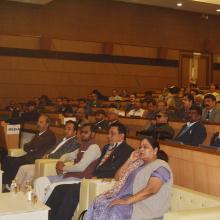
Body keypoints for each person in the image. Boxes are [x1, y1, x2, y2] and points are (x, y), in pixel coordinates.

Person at [46, 122, 133, 220]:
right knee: (59, 188)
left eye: (112, 134)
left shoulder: (127, 151)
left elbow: (116, 171)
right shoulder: (106, 147)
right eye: (108, 133)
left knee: (71, 192)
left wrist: (97, 177)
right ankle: (46, 217)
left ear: (121, 136)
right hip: (91, 179)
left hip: (102, 181)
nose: (108, 136)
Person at [84, 137, 173, 220]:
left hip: (144, 205)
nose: (141, 149)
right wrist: (130, 160)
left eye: (145, 147)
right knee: (100, 202)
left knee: (115, 209)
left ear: (155, 150)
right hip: (128, 200)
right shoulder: (138, 164)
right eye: (140, 147)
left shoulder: (161, 166)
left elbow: (151, 189)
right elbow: (117, 177)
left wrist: (127, 201)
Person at [34, 123, 101, 203]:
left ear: (93, 134)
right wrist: (60, 161)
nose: (82, 134)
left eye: (86, 132)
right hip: (68, 175)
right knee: (39, 181)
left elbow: (80, 167)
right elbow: (67, 155)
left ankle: (43, 210)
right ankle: (39, 207)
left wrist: (62, 168)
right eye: (81, 132)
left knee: (53, 187)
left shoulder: (94, 148)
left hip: (79, 179)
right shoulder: (83, 146)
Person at [15, 120, 80, 190]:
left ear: (75, 132)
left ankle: (22, 194)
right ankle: (15, 189)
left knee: (30, 173)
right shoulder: (62, 139)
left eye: (69, 129)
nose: (66, 131)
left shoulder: (74, 143)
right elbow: (51, 149)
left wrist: (48, 156)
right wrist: (46, 154)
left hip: (52, 163)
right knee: (22, 168)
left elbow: (63, 155)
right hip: (44, 160)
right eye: (65, 128)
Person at [2, 114, 56, 189]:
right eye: (38, 122)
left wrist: (31, 146)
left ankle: (11, 184)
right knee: (7, 159)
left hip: (35, 159)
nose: (38, 124)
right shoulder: (39, 134)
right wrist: (31, 147)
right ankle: (6, 182)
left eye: (41, 122)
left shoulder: (49, 135)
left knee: (14, 162)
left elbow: (34, 145)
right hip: (28, 156)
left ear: (47, 124)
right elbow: (26, 146)